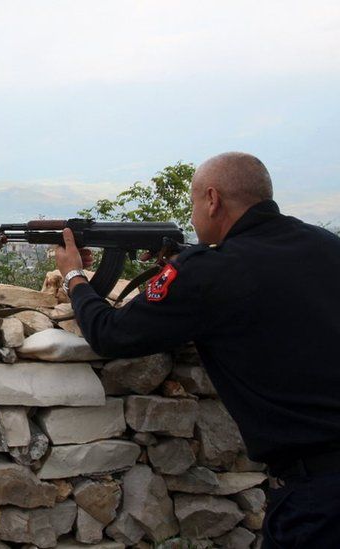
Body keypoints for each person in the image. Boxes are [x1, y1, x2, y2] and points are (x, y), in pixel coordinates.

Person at [55, 152, 340, 547]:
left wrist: (74, 275)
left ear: (212, 199)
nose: (192, 216)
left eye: (192, 203)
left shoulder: (209, 271)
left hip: (318, 497)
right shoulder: (326, 244)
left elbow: (111, 333)